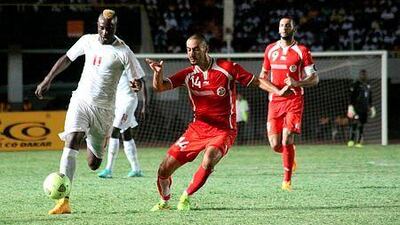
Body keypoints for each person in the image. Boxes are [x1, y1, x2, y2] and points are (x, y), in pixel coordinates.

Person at [146, 34, 288, 211]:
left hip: (223, 130)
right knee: (163, 169)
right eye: (189, 50)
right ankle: (164, 201)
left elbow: (257, 81)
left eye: (196, 49)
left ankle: (186, 196)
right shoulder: (188, 75)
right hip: (197, 129)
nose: (191, 53)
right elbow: (159, 87)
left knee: (209, 158)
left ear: (206, 48)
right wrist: (158, 74)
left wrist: (278, 91)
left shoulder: (227, 68)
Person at [35, 9, 144, 214]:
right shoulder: (87, 40)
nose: (104, 32)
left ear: (115, 28)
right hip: (81, 101)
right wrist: (47, 79)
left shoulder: (123, 51)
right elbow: (67, 58)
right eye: (102, 27)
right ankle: (64, 201)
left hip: (104, 110)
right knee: (72, 139)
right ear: (97, 26)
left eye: (109, 28)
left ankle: (93, 139)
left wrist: (137, 84)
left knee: (94, 164)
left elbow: (137, 78)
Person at [259, 16, 319, 191]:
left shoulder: (302, 51)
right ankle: (290, 156)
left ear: (294, 29)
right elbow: (262, 78)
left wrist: (297, 83)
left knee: (287, 138)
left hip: (294, 100)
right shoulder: (270, 49)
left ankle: (286, 181)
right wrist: (276, 90)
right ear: (278, 29)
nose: (284, 28)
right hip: (275, 102)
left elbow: (315, 79)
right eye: (282, 25)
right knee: (275, 145)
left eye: (288, 26)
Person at [97, 72, 147, 178]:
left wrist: (145, 105)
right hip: (119, 103)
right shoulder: (114, 65)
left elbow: (143, 82)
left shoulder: (129, 63)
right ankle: (136, 169)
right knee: (126, 133)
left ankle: (108, 169)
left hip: (128, 102)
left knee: (114, 131)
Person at [346, 69, 375, 148]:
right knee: (355, 123)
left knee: (361, 125)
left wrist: (372, 107)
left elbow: (370, 98)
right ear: (359, 75)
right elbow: (351, 97)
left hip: (364, 109)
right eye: (362, 74)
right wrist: (350, 107)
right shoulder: (356, 84)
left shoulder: (368, 85)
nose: (363, 76)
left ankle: (358, 142)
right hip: (356, 108)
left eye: (364, 74)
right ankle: (351, 140)